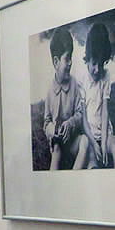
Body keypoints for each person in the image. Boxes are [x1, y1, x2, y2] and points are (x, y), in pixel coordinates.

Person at [82, 22, 115, 168]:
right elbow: (83, 116)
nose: (97, 69)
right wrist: (94, 143)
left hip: (105, 133)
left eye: (101, 64)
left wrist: (105, 139)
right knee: (91, 158)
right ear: (87, 58)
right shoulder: (82, 78)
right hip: (89, 136)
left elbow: (105, 111)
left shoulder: (105, 76)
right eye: (94, 63)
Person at [43, 27, 89, 170]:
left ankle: (76, 172)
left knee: (85, 142)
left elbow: (80, 113)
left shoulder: (75, 85)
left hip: (72, 141)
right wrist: (50, 129)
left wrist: (70, 123)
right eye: (67, 58)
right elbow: (46, 121)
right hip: (57, 144)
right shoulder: (50, 90)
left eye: (71, 58)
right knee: (56, 149)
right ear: (56, 62)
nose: (70, 63)